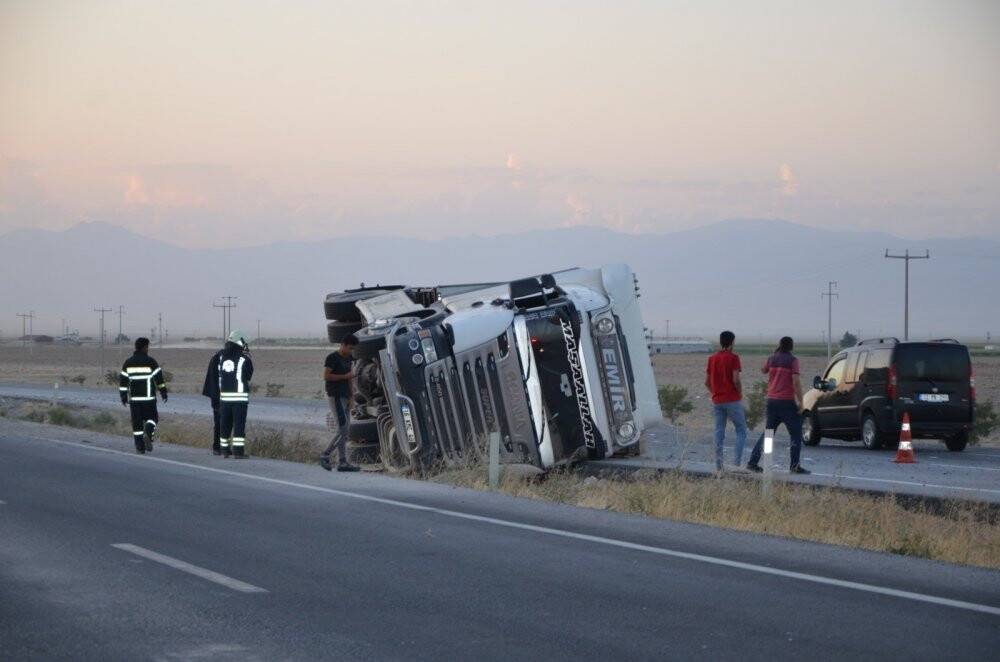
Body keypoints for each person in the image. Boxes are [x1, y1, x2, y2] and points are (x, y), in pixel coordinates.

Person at [746, 336, 811, 474]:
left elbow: (763, 370)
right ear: (791, 347)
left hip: (772, 402)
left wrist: (774, 355)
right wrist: (801, 402)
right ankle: (794, 466)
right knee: (796, 434)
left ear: (779, 345)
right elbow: (796, 382)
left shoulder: (772, 358)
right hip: (786, 402)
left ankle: (753, 462)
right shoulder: (793, 361)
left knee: (768, 433)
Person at [705, 330, 748, 472]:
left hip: (717, 400)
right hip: (732, 399)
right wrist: (740, 393)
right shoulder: (733, 358)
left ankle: (719, 466)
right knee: (741, 430)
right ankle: (736, 465)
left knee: (719, 431)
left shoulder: (712, 358)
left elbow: (707, 382)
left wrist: (715, 393)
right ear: (732, 342)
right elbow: (736, 379)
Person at [119, 337, 168, 454]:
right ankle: (148, 430)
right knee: (153, 419)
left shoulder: (128, 362)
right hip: (149, 399)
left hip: (134, 400)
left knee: (136, 425)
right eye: (148, 347)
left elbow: (123, 382)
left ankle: (139, 447)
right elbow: (159, 379)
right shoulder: (150, 361)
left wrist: (123, 396)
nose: (148, 349)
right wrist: (163, 392)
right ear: (145, 347)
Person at [319, 334, 361, 472]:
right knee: (342, 428)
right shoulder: (332, 358)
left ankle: (343, 462)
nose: (351, 351)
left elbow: (350, 378)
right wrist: (344, 376)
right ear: (343, 344)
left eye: (353, 349)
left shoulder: (349, 358)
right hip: (335, 396)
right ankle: (325, 454)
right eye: (349, 348)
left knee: (346, 430)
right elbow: (326, 376)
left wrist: (352, 396)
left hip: (345, 396)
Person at [217, 330, 253, 458]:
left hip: (224, 398)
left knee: (225, 425)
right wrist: (247, 354)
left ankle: (224, 450)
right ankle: (238, 452)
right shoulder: (244, 359)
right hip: (239, 399)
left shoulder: (221, 357)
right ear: (240, 342)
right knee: (239, 426)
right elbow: (248, 376)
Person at [201, 344, 225, 455]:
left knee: (218, 421)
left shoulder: (216, 356)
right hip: (221, 396)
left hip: (215, 395)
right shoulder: (225, 357)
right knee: (224, 421)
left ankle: (217, 447)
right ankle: (220, 447)